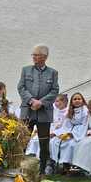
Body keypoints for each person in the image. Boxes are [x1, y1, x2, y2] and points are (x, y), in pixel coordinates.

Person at [18, 45, 59, 173]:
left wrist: (41, 102)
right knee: (22, 141)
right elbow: (21, 87)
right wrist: (31, 100)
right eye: (33, 55)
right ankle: (18, 167)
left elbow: (54, 90)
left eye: (37, 55)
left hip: (44, 113)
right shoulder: (26, 70)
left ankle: (42, 171)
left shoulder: (52, 73)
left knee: (44, 143)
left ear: (45, 57)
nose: (34, 57)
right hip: (28, 111)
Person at [50, 93, 88, 170]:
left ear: (82, 100)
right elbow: (66, 125)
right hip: (70, 130)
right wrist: (57, 133)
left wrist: (72, 134)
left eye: (79, 99)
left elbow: (85, 125)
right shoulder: (70, 111)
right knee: (55, 141)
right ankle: (63, 164)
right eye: (75, 99)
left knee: (71, 144)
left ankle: (73, 165)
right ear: (72, 101)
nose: (77, 101)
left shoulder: (85, 110)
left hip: (80, 132)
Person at [26, 93, 68, 159]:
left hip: (59, 134)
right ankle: (35, 157)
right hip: (49, 131)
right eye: (55, 101)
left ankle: (49, 159)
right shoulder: (54, 110)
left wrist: (54, 133)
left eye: (58, 101)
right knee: (35, 139)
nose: (56, 103)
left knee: (48, 142)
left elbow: (66, 126)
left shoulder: (67, 112)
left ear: (65, 102)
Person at [72, 98, 91, 173]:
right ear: (90, 109)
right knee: (81, 143)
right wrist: (88, 132)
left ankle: (89, 167)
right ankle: (79, 165)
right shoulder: (89, 117)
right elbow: (86, 127)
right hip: (90, 136)